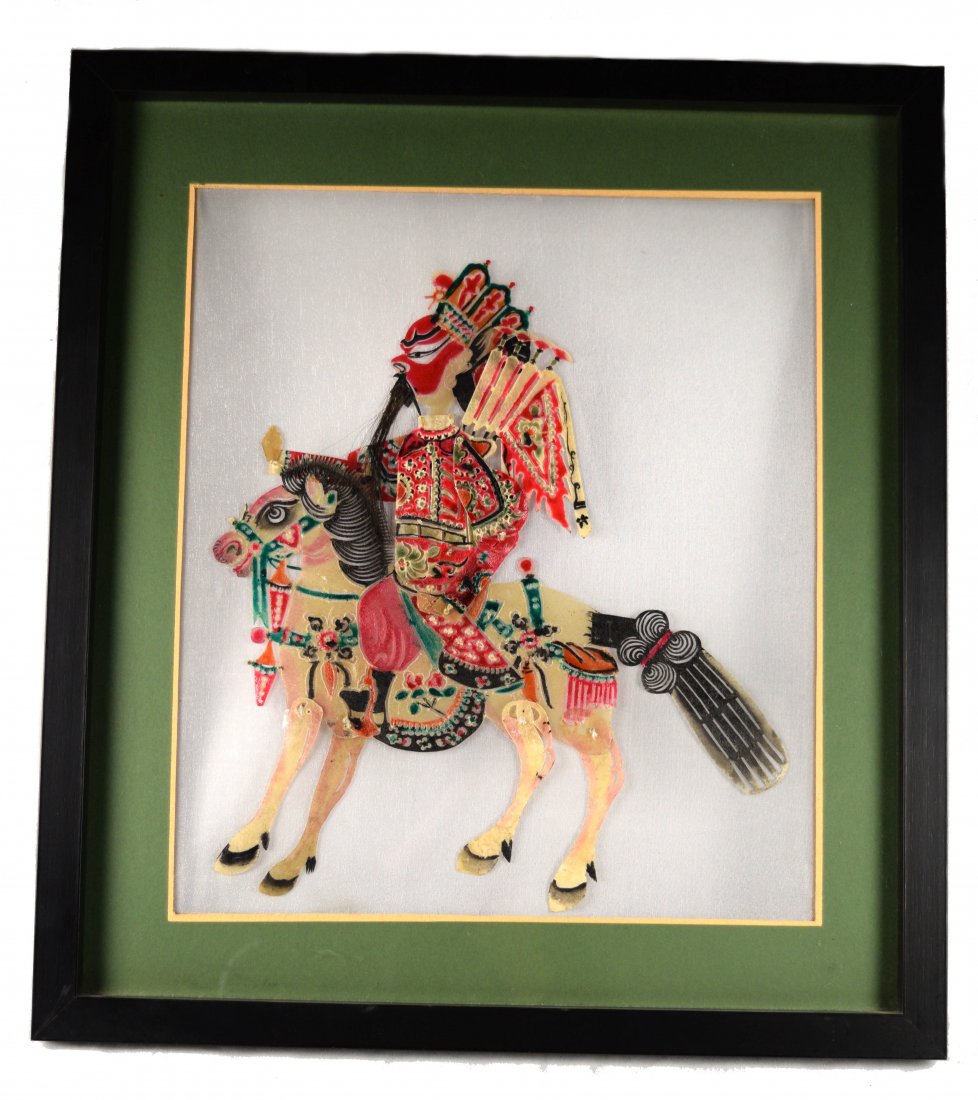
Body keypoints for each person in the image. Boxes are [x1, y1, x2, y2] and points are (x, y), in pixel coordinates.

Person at [343, 261, 588, 733]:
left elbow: (493, 513)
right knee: (376, 604)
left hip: (446, 575)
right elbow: (364, 471)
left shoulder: (464, 448)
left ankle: (438, 666)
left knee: (416, 605)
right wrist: (298, 464)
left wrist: (472, 551)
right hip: (413, 568)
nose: (408, 371)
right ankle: (375, 689)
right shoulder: (414, 447)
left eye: (422, 360)